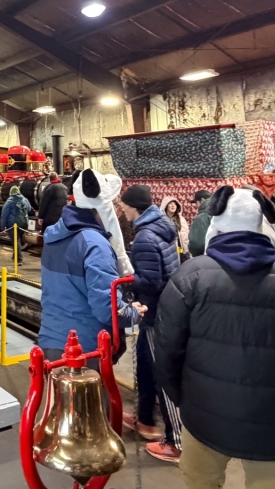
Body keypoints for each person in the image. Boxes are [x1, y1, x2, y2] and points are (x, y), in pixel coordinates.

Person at [154, 186, 275, 488]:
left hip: (204, 416)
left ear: (215, 227)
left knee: (201, 481)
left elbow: (165, 352)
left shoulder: (189, 278)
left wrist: (183, 399)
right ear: (261, 227)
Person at [39, 169, 146, 367]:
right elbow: (106, 307)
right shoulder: (95, 244)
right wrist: (133, 313)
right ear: (102, 208)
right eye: (114, 204)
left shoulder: (55, 235)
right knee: (92, 398)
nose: (117, 210)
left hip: (51, 338)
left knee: (58, 397)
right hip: (85, 348)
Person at [118, 185, 183, 460]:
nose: (121, 210)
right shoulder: (163, 225)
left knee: (160, 372)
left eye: (123, 205)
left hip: (154, 311)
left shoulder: (144, 237)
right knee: (144, 363)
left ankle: (175, 440)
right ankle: (144, 417)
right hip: (164, 306)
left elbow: (152, 280)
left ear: (135, 207)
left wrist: (124, 278)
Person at [0, 186, 31, 266]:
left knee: (15, 241)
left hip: (13, 224)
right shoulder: (25, 199)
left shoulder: (9, 201)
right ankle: (14, 256)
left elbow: (4, 215)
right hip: (23, 223)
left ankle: (19, 259)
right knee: (18, 240)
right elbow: (30, 209)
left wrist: (2, 227)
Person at [187, 190, 213, 257]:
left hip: (206, 257)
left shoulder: (201, 218)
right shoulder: (221, 212)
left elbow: (197, 245)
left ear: (202, 200)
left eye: (196, 202)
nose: (196, 205)